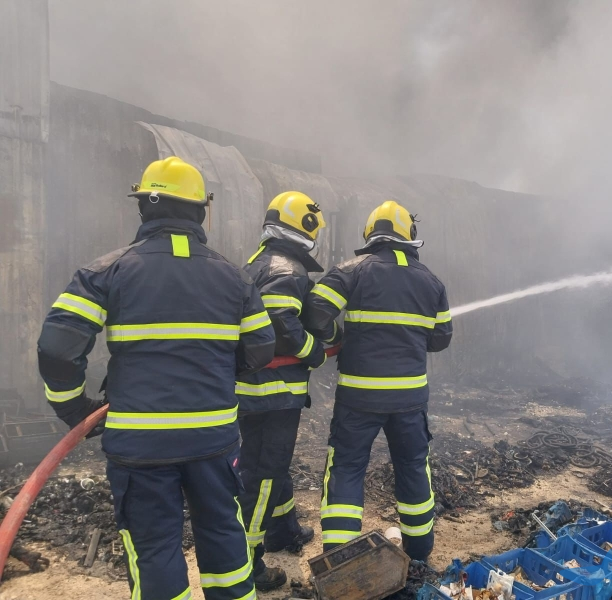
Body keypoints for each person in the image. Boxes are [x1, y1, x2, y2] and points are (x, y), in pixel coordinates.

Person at [37, 157, 275, 600]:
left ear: (143, 206)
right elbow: (261, 349)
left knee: (155, 549)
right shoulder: (236, 278)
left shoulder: (105, 272)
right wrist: (215, 372)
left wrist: (76, 410)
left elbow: (57, 348)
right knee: (224, 533)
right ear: (201, 211)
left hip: (140, 444)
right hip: (212, 437)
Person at [302, 200, 452, 561]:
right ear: (409, 235)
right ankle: (419, 553)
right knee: (413, 466)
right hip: (409, 399)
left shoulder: (351, 271)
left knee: (347, 467)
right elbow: (440, 339)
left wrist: (338, 337)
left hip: (359, 397)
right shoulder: (432, 282)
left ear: (371, 234)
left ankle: (340, 558)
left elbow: (314, 313)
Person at [235, 191, 334, 591]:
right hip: (273, 394)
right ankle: (248, 561)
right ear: (305, 227)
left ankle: (282, 530)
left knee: (270, 465)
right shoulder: (287, 268)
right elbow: (280, 320)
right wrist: (314, 351)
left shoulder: (259, 261)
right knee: (264, 474)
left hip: (256, 391)